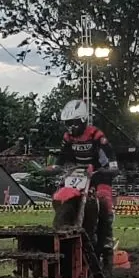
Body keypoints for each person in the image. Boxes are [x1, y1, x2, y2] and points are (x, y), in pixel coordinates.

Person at [55, 100, 117, 267]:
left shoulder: (96, 135)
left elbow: (109, 156)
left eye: (73, 123)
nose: (70, 127)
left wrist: (111, 167)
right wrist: (53, 168)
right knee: (61, 190)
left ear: (83, 120)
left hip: (99, 174)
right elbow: (61, 158)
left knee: (104, 201)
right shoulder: (68, 137)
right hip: (78, 174)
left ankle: (107, 241)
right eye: (68, 123)